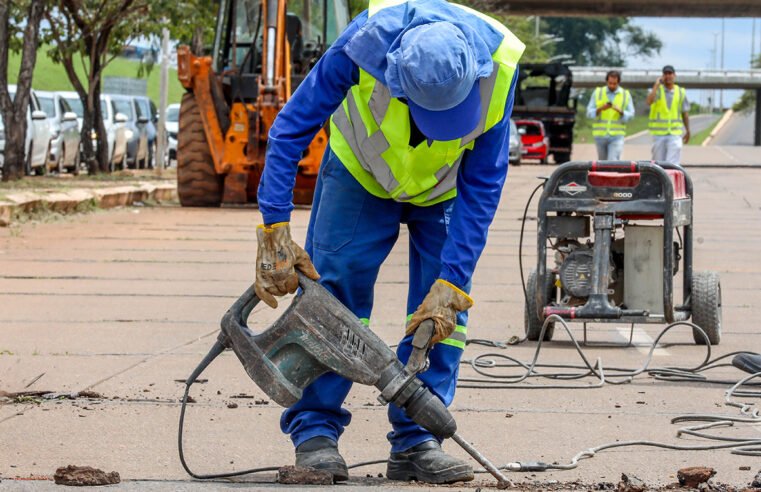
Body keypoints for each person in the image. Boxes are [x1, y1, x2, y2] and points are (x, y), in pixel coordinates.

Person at [253, 0, 525, 485]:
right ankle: (315, 434)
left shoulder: (499, 68)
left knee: (442, 312)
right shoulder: (359, 47)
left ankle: (418, 440)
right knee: (331, 301)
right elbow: (290, 128)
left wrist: (454, 279)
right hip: (359, 173)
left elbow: (484, 183)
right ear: (396, 81)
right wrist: (275, 226)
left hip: (445, 185)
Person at [646, 65, 690, 164]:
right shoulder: (657, 91)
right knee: (658, 164)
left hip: (674, 133)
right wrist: (656, 85)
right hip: (659, 134)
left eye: (670, 74)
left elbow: (685, 113)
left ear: (674, 75)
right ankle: (659, 180)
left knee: (672, 164)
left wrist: (688, 130)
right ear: (662, 76)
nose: (668, 76)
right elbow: (649, 101)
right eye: (665, 74)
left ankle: (670, 180)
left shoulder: (680, 92)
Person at [586, 70, 634, 160]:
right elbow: (589, 113)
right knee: (602, 164)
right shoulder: (598, 92)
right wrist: (600, 109)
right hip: (600, 136)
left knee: (613, 161)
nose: (612, 85)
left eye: (614, 83)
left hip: (617, 136)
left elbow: (631, 114)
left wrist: (621, 111)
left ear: (618, 82)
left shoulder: (625, 94)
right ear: (606, 81)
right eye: (610, 83)